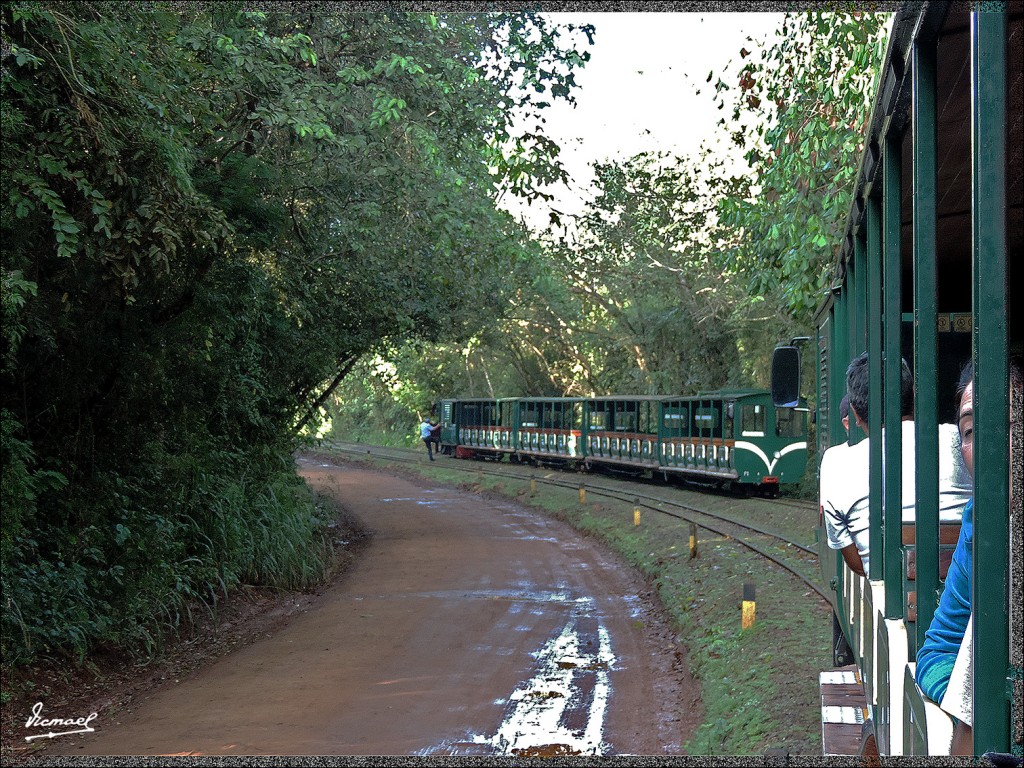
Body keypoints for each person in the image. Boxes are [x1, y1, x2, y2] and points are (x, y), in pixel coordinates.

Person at [918, 356, 1023, 754]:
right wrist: (983, 701)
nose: (988, 442)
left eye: (1006, 423)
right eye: (971, 430)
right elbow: (937, 651)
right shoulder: (981, 522)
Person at [821, 352, 972, 577]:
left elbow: (857, 563)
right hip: (971, 586)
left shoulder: (836, 464)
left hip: (891, 593)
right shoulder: (961, 439)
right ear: (914, 394)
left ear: (855, 413)